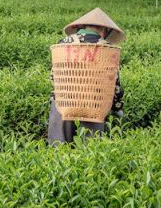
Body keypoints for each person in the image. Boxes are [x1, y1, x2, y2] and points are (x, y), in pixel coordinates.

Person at [48, 8, 125, 144]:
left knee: (57, 152)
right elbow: (113, 84)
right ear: (104, 29)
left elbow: (53, 77)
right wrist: (117, 109)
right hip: (93, 105)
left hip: (62, 104)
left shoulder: (62, 44)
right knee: (89, 154)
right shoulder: (106, 48)